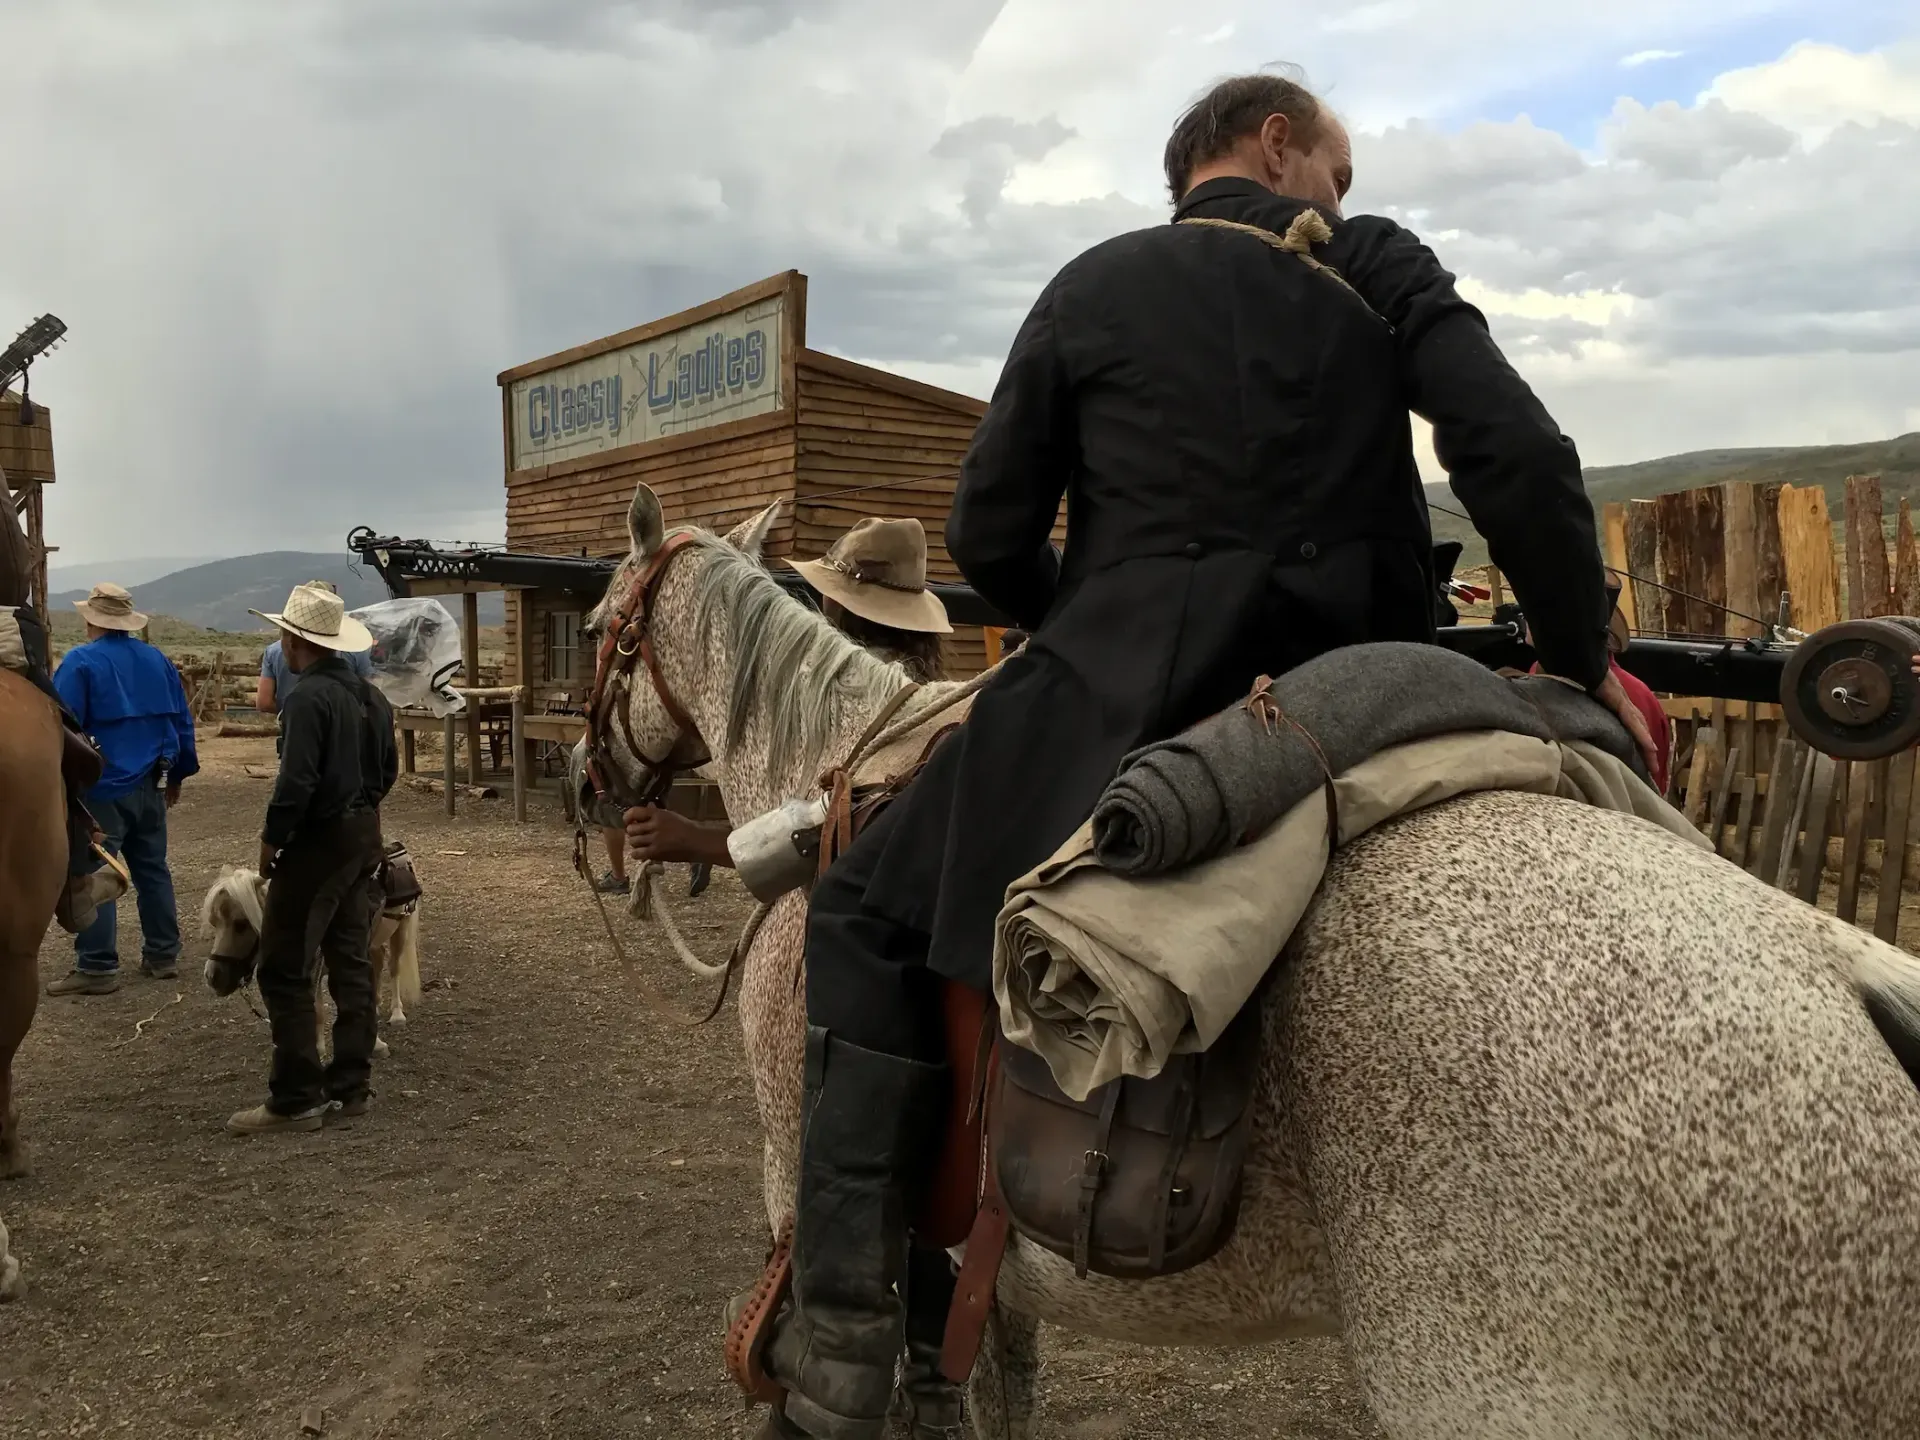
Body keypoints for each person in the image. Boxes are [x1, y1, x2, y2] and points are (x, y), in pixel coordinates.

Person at [749, 72, 1656, 1439]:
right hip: (1357, 693)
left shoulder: (1098, 283)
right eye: (1336, 178)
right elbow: (1518, 458)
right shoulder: (1377, 291)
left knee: (860, 913)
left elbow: (990, 530)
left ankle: (845, 1340)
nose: (1341, 209)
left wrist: (1095, 627)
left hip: (1121, 697)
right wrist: (1578, 660)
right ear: (1275, 140)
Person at [621, 516, 954, 871]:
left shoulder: (838, 698)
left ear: (835, 603)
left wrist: (695, 840)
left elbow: (826, 835)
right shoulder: (925, 694)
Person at [226, 583, 397, 1137]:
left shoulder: (304, 699)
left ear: (292, 640)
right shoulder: (374, 699)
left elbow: (295, 781)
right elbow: (388, 772)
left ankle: (296, 1097)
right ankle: (351, 1085)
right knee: (350, 959)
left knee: (284, 964)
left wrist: (272, 839)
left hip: (319, 841)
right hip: (363, 834)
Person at [44, 583, 198, 996]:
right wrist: (179, 774)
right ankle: (163, 955)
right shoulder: (157, 660)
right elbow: (182, 721)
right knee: (152, 869)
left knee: (96, 869)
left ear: (91, 618)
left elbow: (66, 728)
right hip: (153, 781)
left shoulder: (79, 663)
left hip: (102, 788)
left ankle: (97, 967)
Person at [255, 580, 372, 714]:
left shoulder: (273, 652)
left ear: (292, 642)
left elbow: (264, 702)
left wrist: (288, 714)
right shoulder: (356, 653)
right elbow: (367, 700)